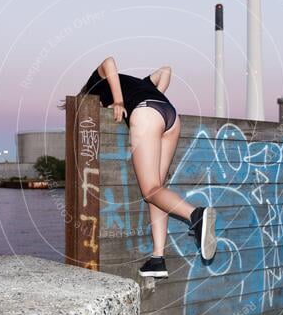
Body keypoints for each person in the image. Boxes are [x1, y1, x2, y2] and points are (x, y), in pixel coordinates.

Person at [60, 56, 217, 278]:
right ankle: (157, 259)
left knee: (151, 190)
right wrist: (157, 95)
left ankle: (196, 215)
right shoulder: (140, 84)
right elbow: (166, 68)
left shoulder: (96, 85)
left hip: (146, 115)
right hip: (170, 116)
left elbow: (108, 62)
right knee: (156, 191)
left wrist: (118, 101)